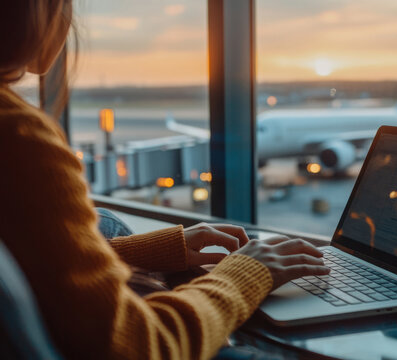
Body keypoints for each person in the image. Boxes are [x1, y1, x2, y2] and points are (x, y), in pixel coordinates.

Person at [0, 1, 330, 359]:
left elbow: (35, 266)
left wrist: (157, 252)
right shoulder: (19, 138)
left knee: (108, 226)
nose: (67, 20)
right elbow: (144, 346)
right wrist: (248, 273)